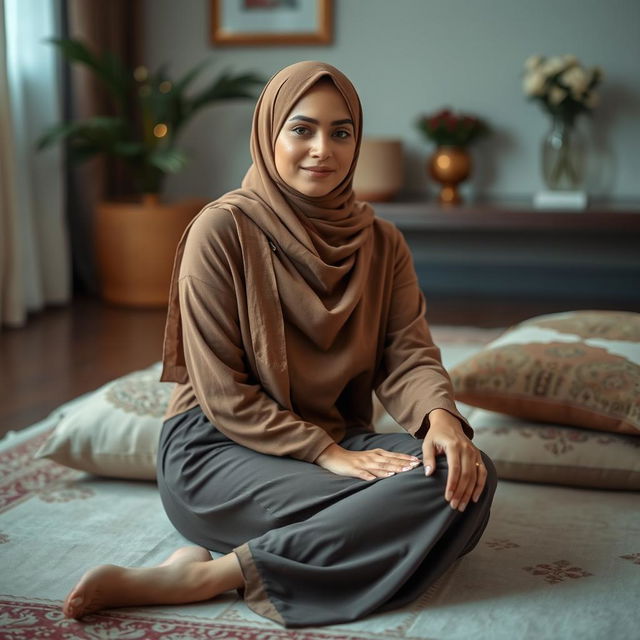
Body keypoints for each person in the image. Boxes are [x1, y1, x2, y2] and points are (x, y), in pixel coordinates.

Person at [63, 61, 497, 628]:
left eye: (341, 132)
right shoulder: (219, 231)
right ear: (270, 134)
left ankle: (215, 571)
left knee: (466, 471)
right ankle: (219, 570)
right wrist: (329, 455)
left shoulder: (382, 242)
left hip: (337, 434)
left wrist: (440, 418)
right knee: (436, 507)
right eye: (302, 129)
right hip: (219, 451)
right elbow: (222, 390)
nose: (323, 149)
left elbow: (407, 352)